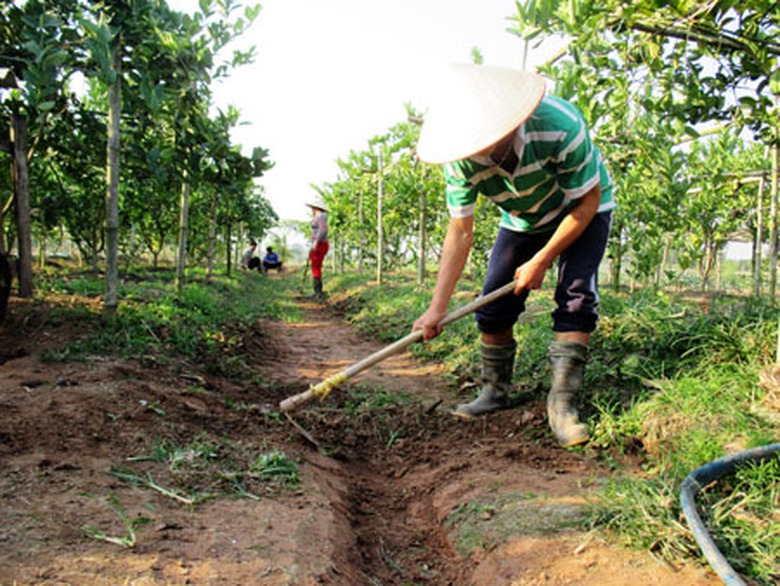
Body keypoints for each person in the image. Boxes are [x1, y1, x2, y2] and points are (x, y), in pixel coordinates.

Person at [413, 64, 615, 448]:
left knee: (575, 297)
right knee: (493, 306)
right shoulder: (460, 158)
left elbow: (586, 202)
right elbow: (460, 231)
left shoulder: (560, 125)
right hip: (523, 218)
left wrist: (542, 259)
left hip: (585, 208)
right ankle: (494, 391)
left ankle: (562, 404)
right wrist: (436, 307)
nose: (472, 149)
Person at [306, 199, 329, 298]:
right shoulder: (319, 217)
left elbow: (323, 230)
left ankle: (318, 291)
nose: (312, 210)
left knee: (316, 266)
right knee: (315, 266)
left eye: (313, 208)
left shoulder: (321, 217)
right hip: (318, 243)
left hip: (320, 244)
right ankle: (317, 291)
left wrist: (316, 242)